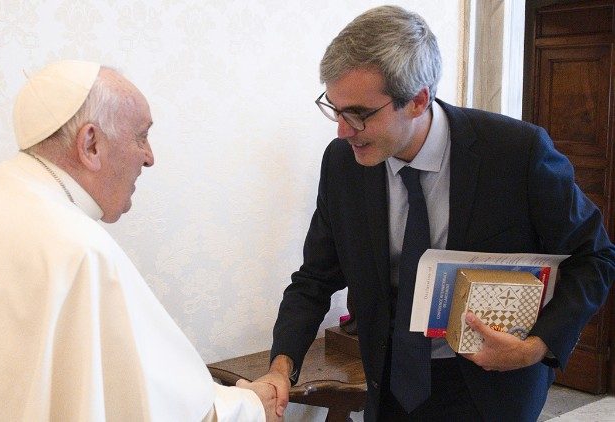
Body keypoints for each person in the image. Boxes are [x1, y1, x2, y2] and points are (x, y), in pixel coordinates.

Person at [256, 6, 615, 422]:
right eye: (335, 109)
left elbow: (596, 259)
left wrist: (534, 347)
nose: (342, 129)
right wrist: (280, 369)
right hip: (388, 385)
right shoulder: (342, 164)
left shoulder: (516, 153)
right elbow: (315, 278)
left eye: (358, 113)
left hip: (491, 389)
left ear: (418, 99)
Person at [0, 60, 278, 422]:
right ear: (90, 144)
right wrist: (251, 407)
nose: (149, 157)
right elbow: (159, 411)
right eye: (141, 136)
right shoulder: (76, 247)